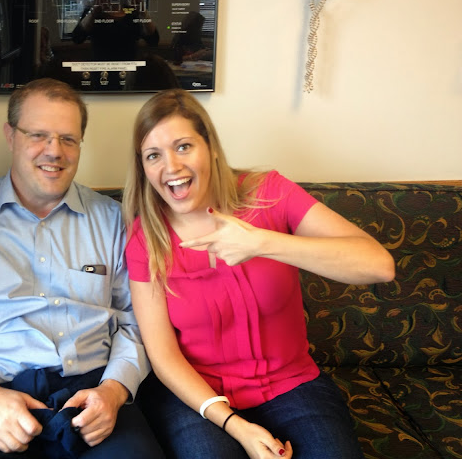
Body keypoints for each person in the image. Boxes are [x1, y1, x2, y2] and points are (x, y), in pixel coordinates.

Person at [0, 78, 164, 459]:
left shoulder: (114, 222)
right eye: (38, 135)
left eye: (68, 139)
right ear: (10, 136)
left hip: (96, 397)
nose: (55, 151)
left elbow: (139, 320)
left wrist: (115, 390)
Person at [122, 89, 395, 459]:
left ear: (210, 147)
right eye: (153, 155)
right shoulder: (145, 238)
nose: (171, 166)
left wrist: (261, 242)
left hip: (292, 384)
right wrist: (236, 426)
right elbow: (164, 356)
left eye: (183, 146)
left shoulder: (269, 192)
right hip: (198, 395)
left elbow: (379, 265)